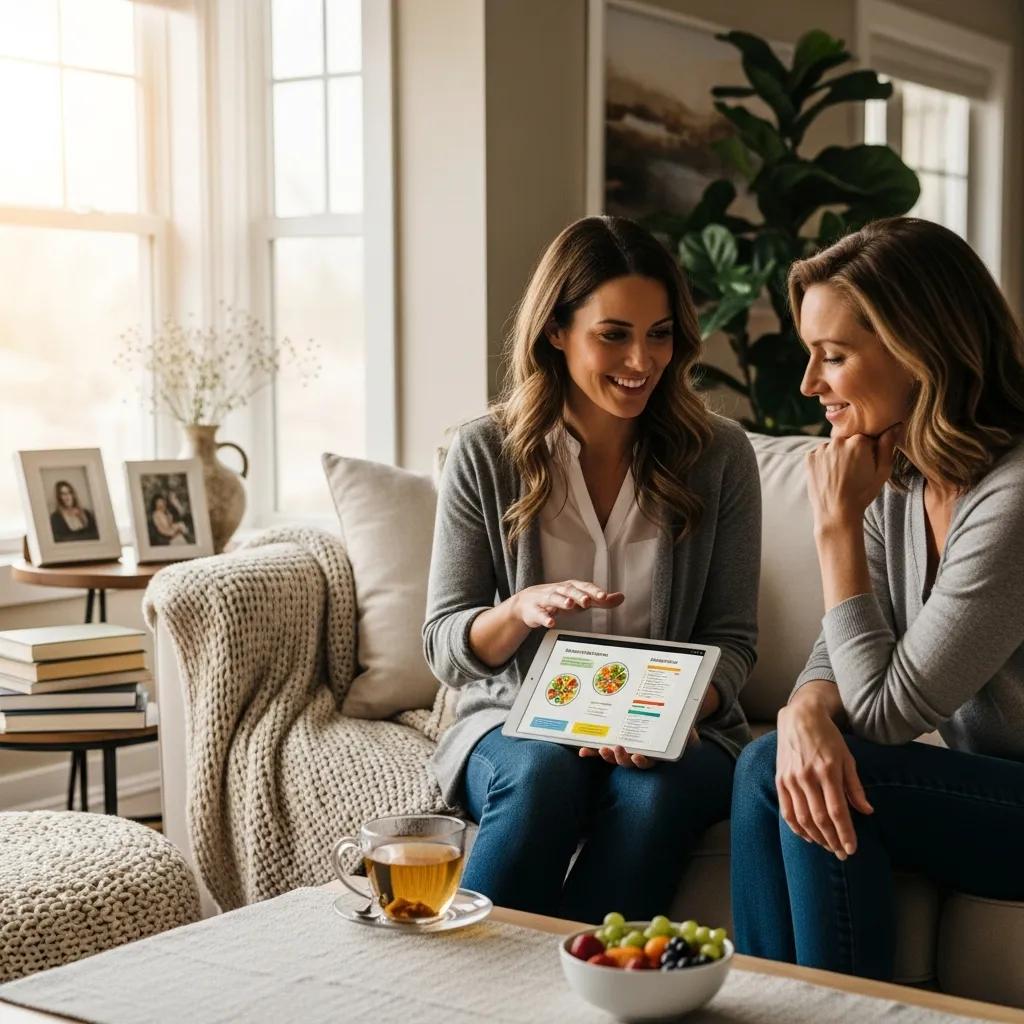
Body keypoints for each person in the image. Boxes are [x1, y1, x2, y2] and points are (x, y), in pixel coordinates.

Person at [423, 215, 761, 922]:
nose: (642, 360)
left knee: (655, 792)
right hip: (516, 722)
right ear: (556, 329)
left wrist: (660, 719)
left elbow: (733, 641)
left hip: (669, 731)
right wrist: (519, 610)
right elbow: (445, 645)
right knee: (545, 769)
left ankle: (584, 985)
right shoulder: (485, 451)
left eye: (660, 334)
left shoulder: (720, 456)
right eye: (614, 334)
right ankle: (465, 989)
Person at [730, 217, 1024, 980]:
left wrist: (835, 531)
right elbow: (848, 638)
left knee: (783, 772)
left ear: (918, 347)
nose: (808, 385)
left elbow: (889, 714)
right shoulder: (904, 471)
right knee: (777, 765)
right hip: (995, 793)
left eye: (833, 356)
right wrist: (801, 711)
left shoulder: (1014, 498)